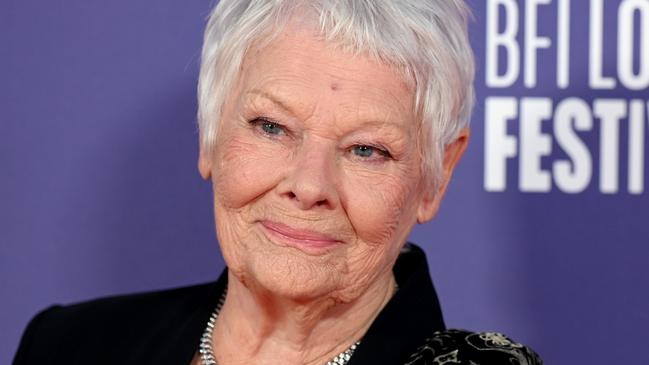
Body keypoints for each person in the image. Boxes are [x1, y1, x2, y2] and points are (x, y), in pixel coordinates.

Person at [13, 1, 542, 364]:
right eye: (272, 127)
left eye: (366, 149)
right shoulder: (68, 345)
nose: (309, 186)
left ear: (437, 175)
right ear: (210, 134)